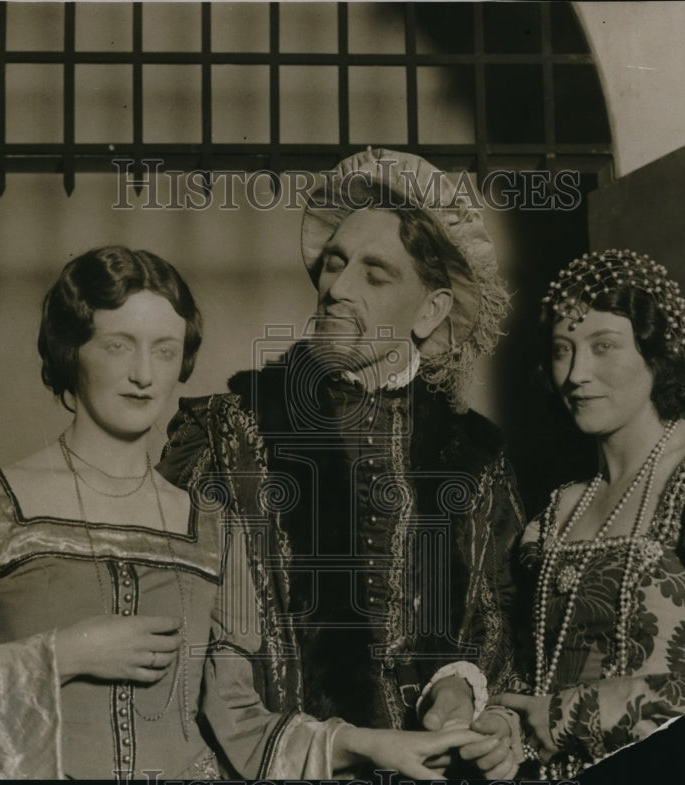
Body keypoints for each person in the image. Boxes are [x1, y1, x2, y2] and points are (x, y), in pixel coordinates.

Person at [0, 246, 485, 780]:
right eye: (118, 345)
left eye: (165, 351)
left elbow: (241, 725)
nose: (143, 374)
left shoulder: (215, 528)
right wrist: (67, 653)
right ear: (71, 351)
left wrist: (374, 744)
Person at [159, 148, 527, 777]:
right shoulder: (226, 433)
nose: (336, 288)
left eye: (375, 274)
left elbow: (499, 622)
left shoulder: (476, 459)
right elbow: (175, 638)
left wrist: (460, 686)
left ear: (431, 310)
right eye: (335, 263)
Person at [462, 249, 685, 778]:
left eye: (604, 346)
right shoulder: (555, 510)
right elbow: (532, 672)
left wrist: (571, 715)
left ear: (658, 353)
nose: (577, 374)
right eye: (562, 351)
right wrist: (508, 726)